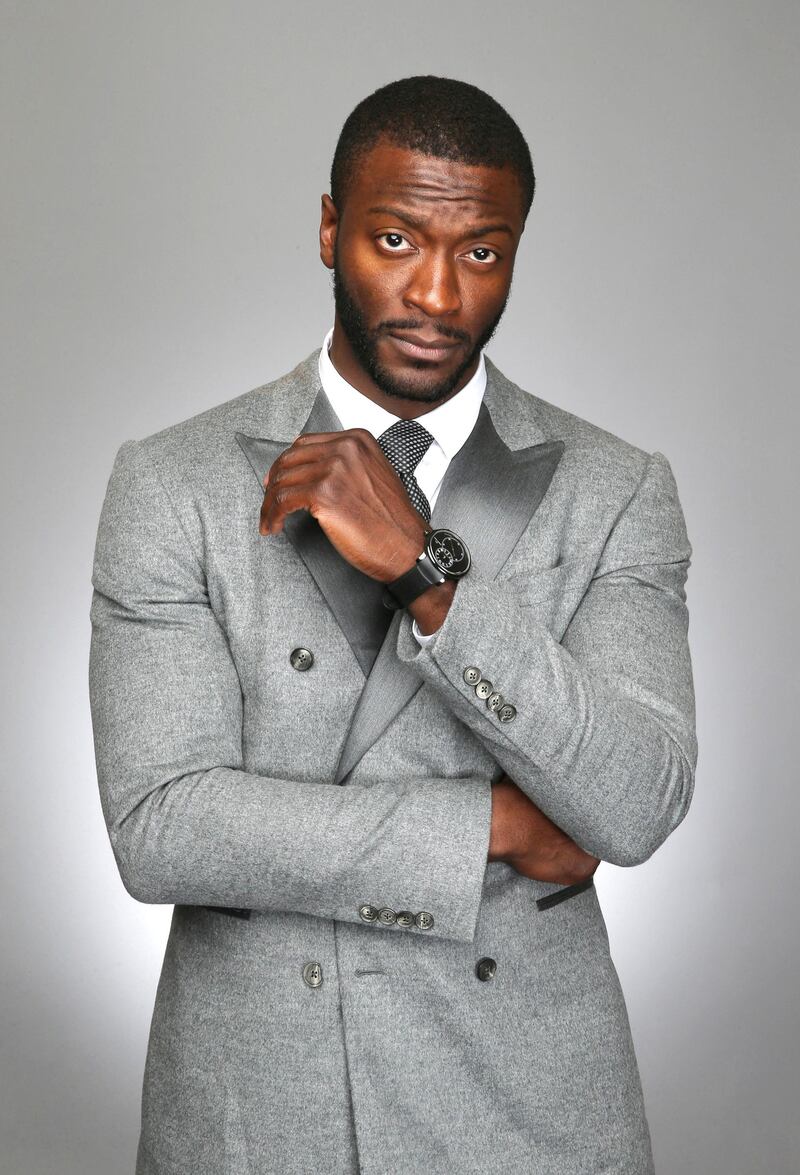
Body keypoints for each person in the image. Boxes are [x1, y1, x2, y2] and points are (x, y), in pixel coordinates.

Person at [89, 75, 697, 1175]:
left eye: (480, 252)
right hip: (264, 1105)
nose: (435, 294)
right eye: (393, 236)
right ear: (329, 230)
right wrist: (494, 831)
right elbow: (161, 823)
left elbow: (638, 798)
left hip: (523, 1106)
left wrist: (426, 571)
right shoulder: (170, 483)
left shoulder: (616, 489)